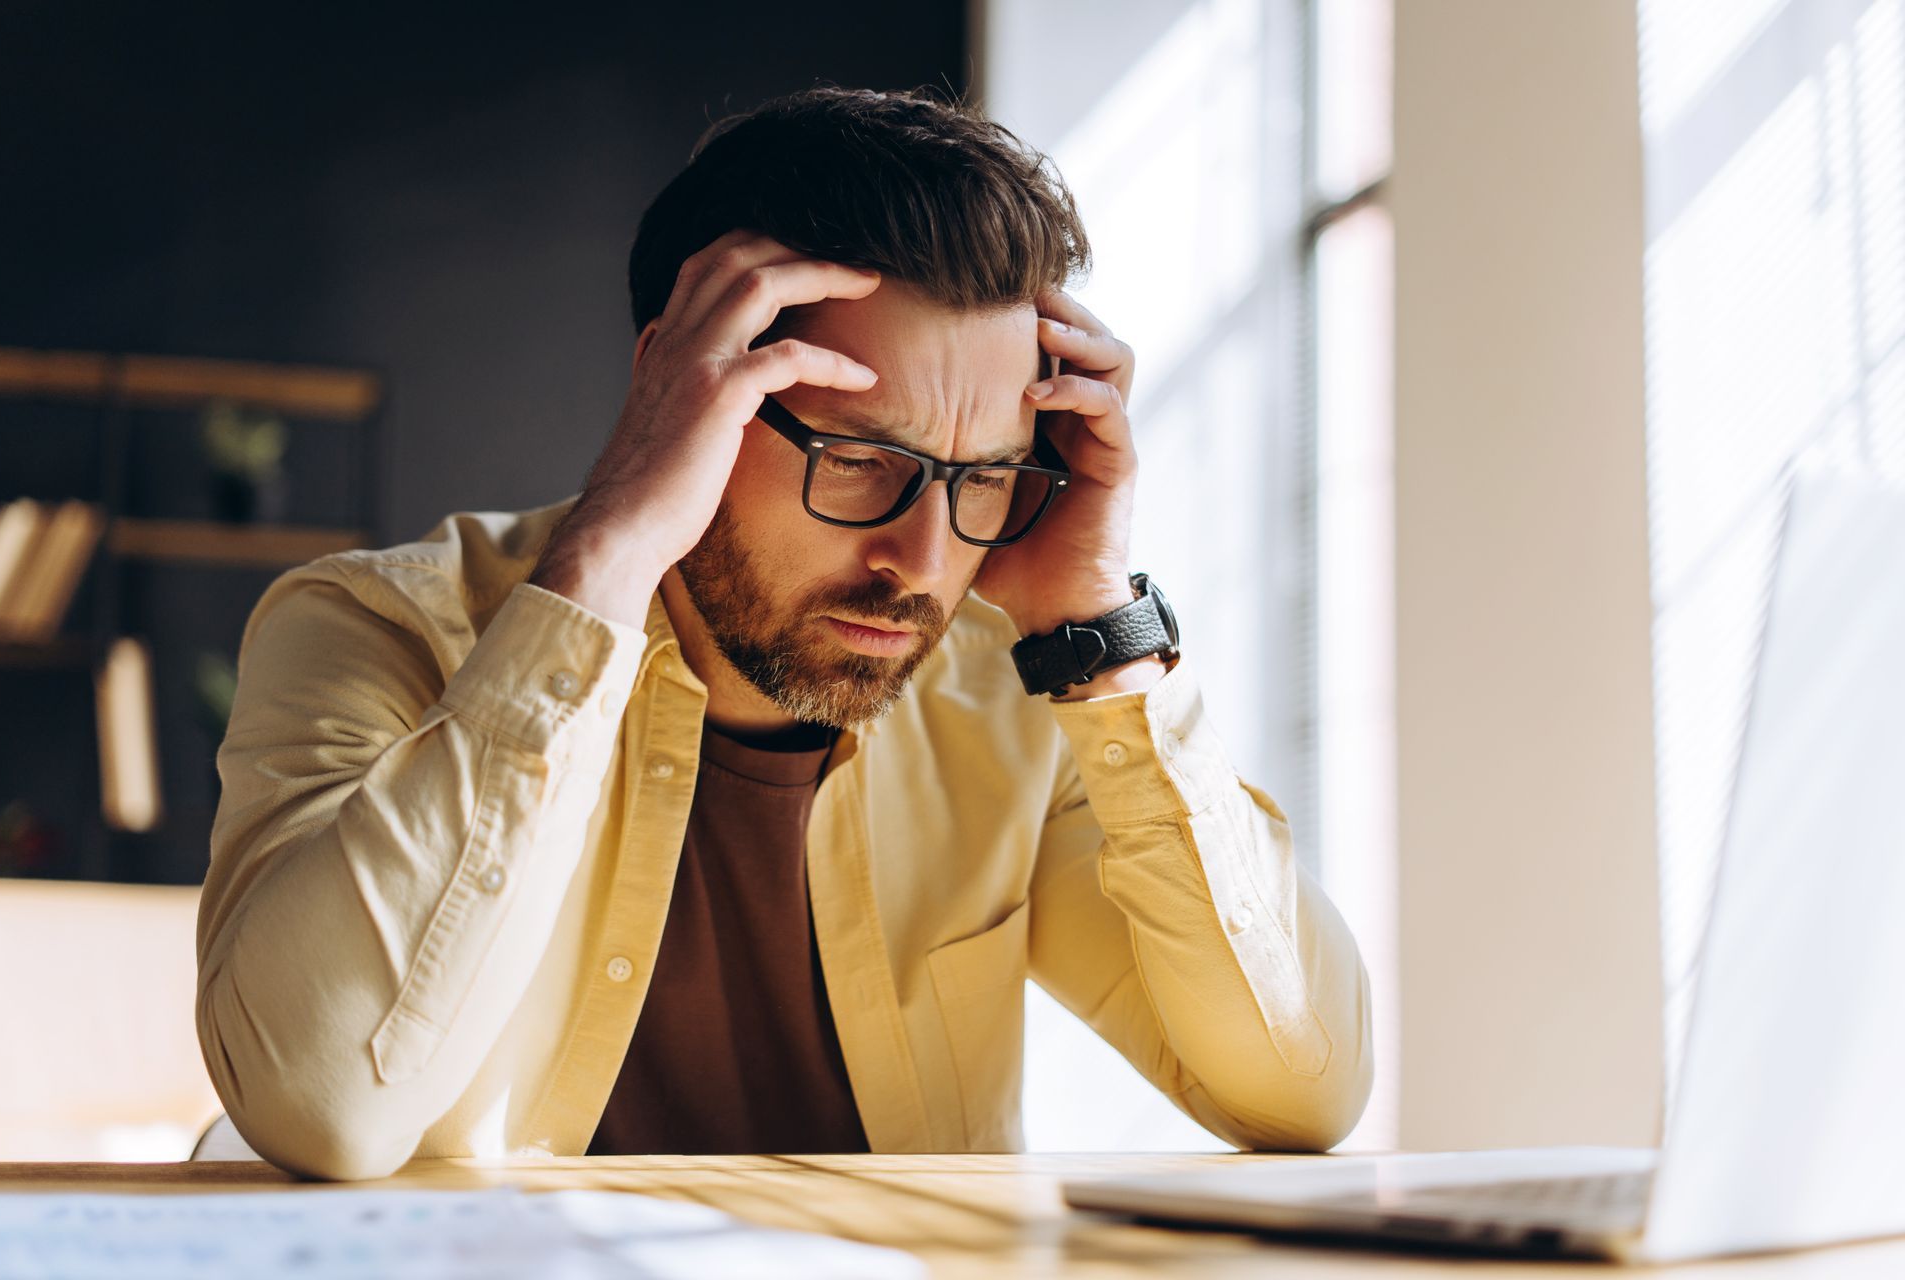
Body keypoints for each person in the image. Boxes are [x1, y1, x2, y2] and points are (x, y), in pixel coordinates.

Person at [194, 86, 1373, 1180]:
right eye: (859, 460)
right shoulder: (379, 628)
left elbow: (1302, 1087)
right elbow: (325, 1102)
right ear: (677, 385)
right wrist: (609, 548)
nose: (920, 562)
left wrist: (1103, 632)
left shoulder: (1018, 698)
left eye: (984, 478)